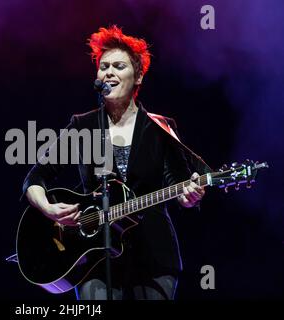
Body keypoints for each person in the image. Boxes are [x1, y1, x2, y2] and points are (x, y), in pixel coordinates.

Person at [22, 25, 205, 300]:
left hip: (153, 255)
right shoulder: (82, 126)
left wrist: (190, 195)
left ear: (139, 76)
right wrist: (48, 208)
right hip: (92, 258)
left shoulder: (160, 128)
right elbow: (35, 177)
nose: (108, 72)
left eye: (118, 66)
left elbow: (179, 184)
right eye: (103, 66)